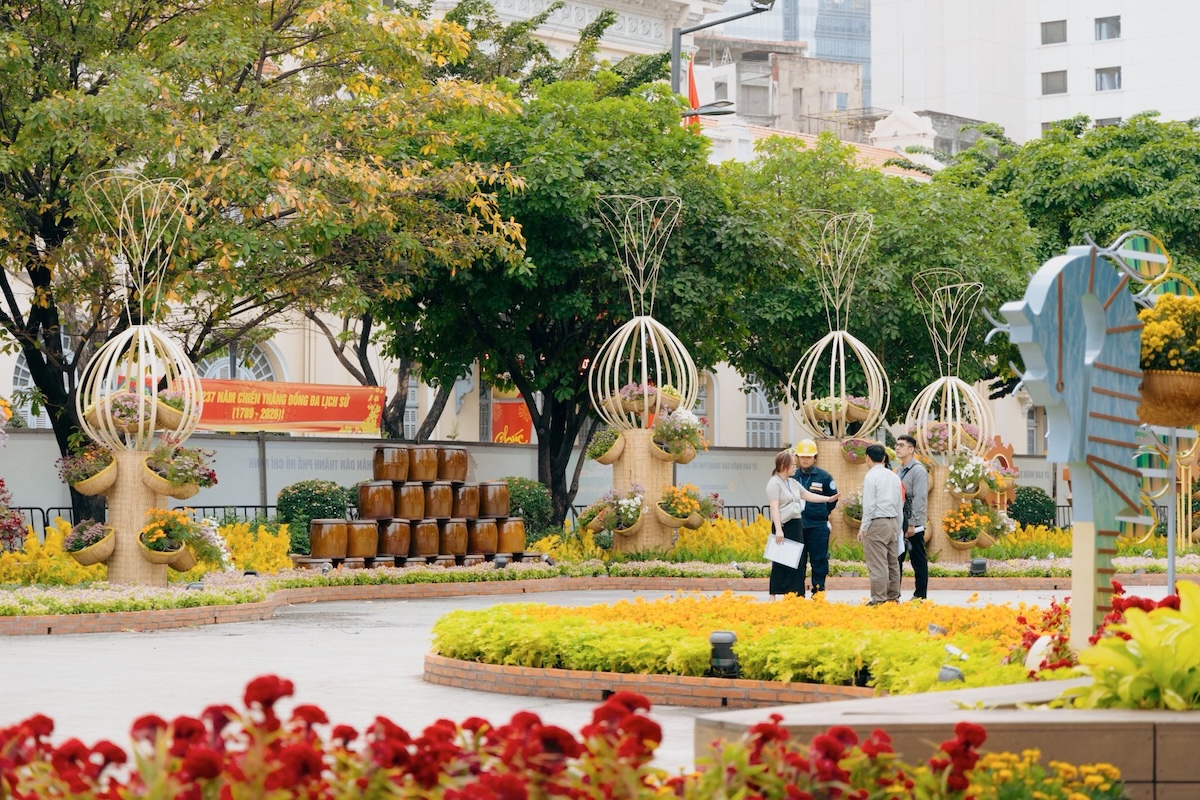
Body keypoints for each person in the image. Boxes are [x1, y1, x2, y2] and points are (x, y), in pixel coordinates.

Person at [767, 449, 839, 598]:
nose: (795, 467)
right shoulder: (774, 483)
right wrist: (779, 529)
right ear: (783, 465)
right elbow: (774, 507)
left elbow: (807, 495)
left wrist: (828, 499)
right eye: (792, 464)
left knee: (797, 561)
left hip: (795, 525)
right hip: (783, 525)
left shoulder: (792, 483)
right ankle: (774, 593)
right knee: (781, 560)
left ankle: (796, 593)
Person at [791, 439, 838, 596]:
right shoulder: (791, 476)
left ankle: (818, 591)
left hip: (818, 526)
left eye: (809, 456)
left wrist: (821, 512)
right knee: (798, 561)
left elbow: (833, 499)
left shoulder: (824, 477)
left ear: (815, 457)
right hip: (797, 525)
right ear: (797, 457)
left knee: (819, 560)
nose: (805, 459)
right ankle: (797, 593)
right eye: (802, 456)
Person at [857, 443, 902, 605]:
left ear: (867, 458)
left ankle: (879, 599)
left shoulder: (871, 476)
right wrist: (898, 526)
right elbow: (899, 504)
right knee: (892, 563)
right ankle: (892, 597)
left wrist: (863, 528)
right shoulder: (894, 476)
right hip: (892, 523)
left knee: (878, 564)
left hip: (877, 523)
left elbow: (869, 505)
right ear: (883, 458)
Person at [895, 434, 930, 600]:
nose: (897, 448)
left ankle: (920, 595)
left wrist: (912, 524)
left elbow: (920, 498)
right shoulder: (900, 469)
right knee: (897, 559)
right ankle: (894, 594)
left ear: (911, 449)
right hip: (900, 522)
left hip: (913, 524)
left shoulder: (918, 470)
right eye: (897, 445)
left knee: (918, 560)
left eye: (901, 445)